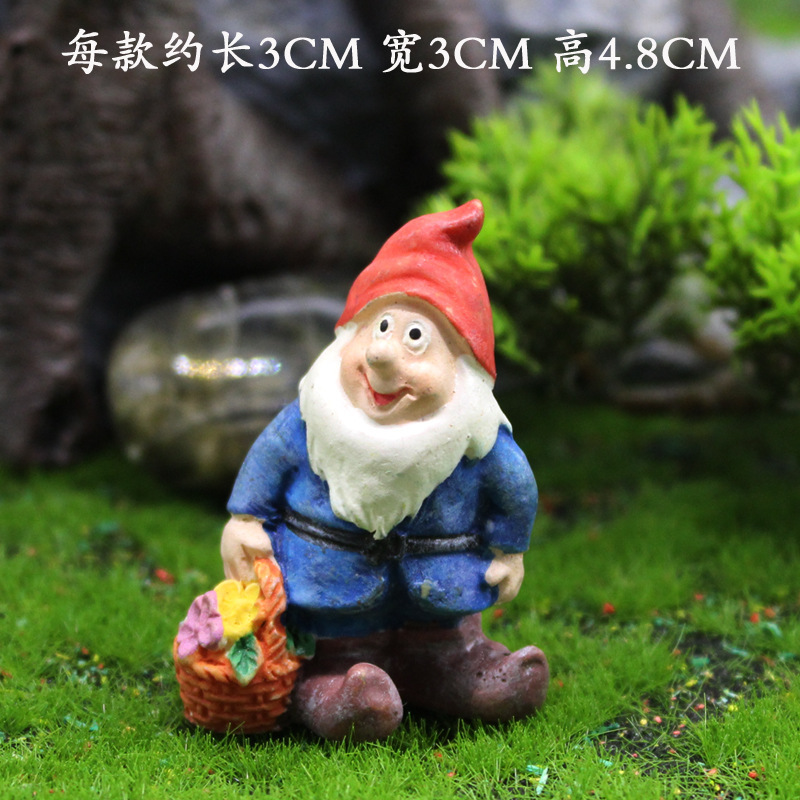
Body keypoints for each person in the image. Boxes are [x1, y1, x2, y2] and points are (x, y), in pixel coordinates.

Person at [220, 199, 548, 740]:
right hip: (332, 596)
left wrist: (510, 551)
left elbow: (514, 486)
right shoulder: (312, 418)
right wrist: (245, 520)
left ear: (462, 363)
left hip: (440, 594)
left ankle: (465, 676)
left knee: (446, 644)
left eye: (415, 338)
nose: (381, 357)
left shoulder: (475, 437)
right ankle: (340, 694)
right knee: (336, 653)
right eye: (380, 328)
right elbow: (269, 458)